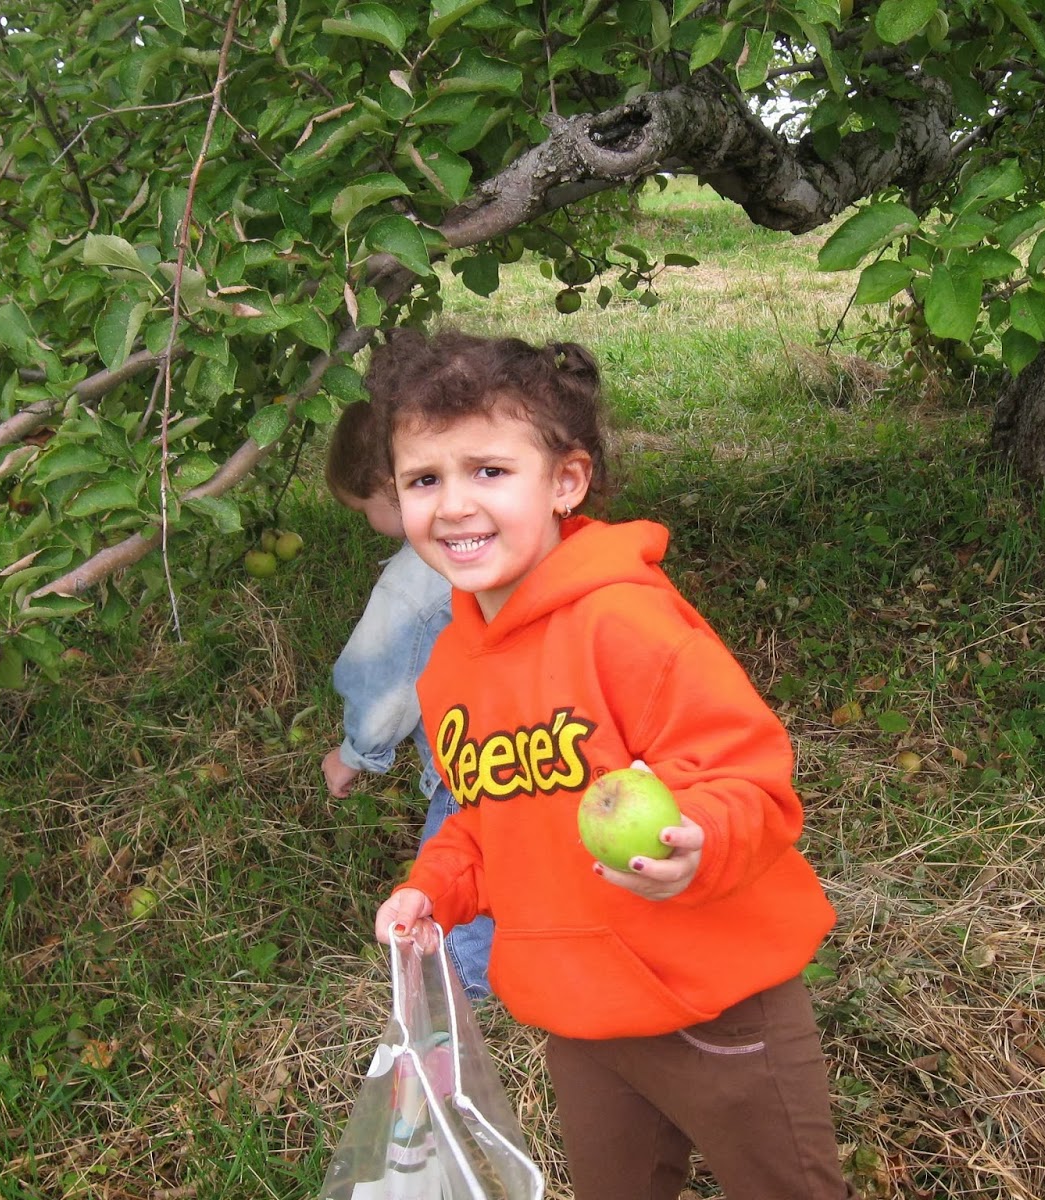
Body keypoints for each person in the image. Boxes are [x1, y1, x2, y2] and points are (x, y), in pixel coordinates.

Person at [367, 330, 850, 1199]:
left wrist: (697, 839)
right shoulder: (451, 668)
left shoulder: (623, 625)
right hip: (582, 1019)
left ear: (566, 482)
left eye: (489, 471)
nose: (453, 505)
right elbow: (483, 817)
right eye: (423, 479)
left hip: (716, 1004)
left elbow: (750, 778)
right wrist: (430, 891)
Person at [321, 400, 494, 999]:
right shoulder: (498, 539)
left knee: (451, 871)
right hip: (537, 743)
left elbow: (385, 673)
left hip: (471, 760)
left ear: (388, 489)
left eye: (364, 509)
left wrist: (355, 751)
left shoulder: (414, 581)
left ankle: (461, 984)